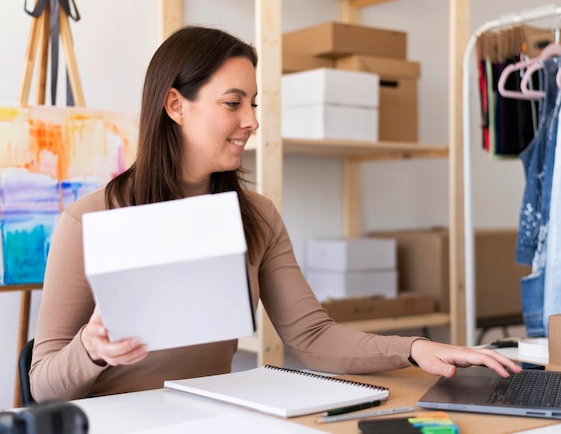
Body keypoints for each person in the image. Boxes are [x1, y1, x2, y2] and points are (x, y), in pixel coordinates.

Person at [30, 26, 521, 402]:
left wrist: (415, 349)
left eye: (254, 102)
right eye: (232, 103)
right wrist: (91, 349)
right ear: (176, 105)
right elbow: (43, 383)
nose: (252, 121)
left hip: (211, 416)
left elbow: (312, 336)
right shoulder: (88, 221)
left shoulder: (256, 217)